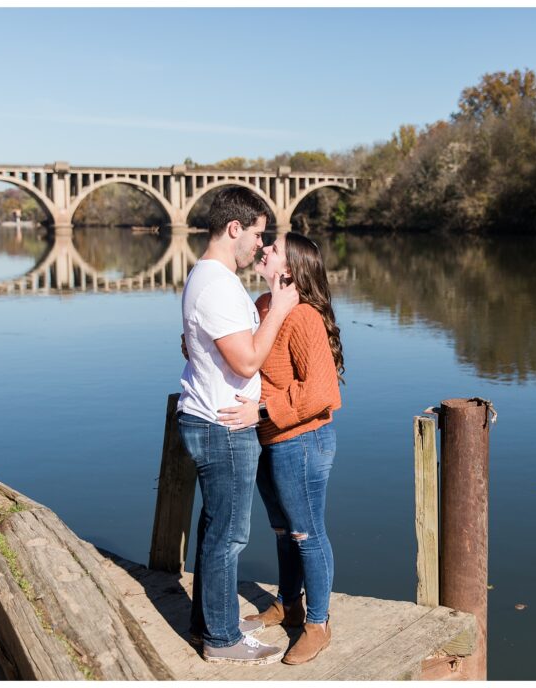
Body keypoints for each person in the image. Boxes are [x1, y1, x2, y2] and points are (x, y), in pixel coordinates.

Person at [177, 187, 299, 665]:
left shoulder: (210, 280)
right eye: (257, 234)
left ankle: (206, 622)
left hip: (212, 419)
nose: (259, 245)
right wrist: (283, 310)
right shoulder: (218, 284)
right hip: (223, 427)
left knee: (216, 529)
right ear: (234, 229)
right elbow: (247, 361)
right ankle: (223, 639)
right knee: (229, 536)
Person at [216, 232, 344, 665]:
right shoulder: (264, 306)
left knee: (308, 534)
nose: (265, 248)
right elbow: (248, 358)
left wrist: (264, 410)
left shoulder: (304, 317)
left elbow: (323, 391)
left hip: (302, 440)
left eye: (274, 248)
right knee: (283, 532)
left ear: (287, 270)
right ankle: (289, 604)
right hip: (270, 439)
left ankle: (318, 623)